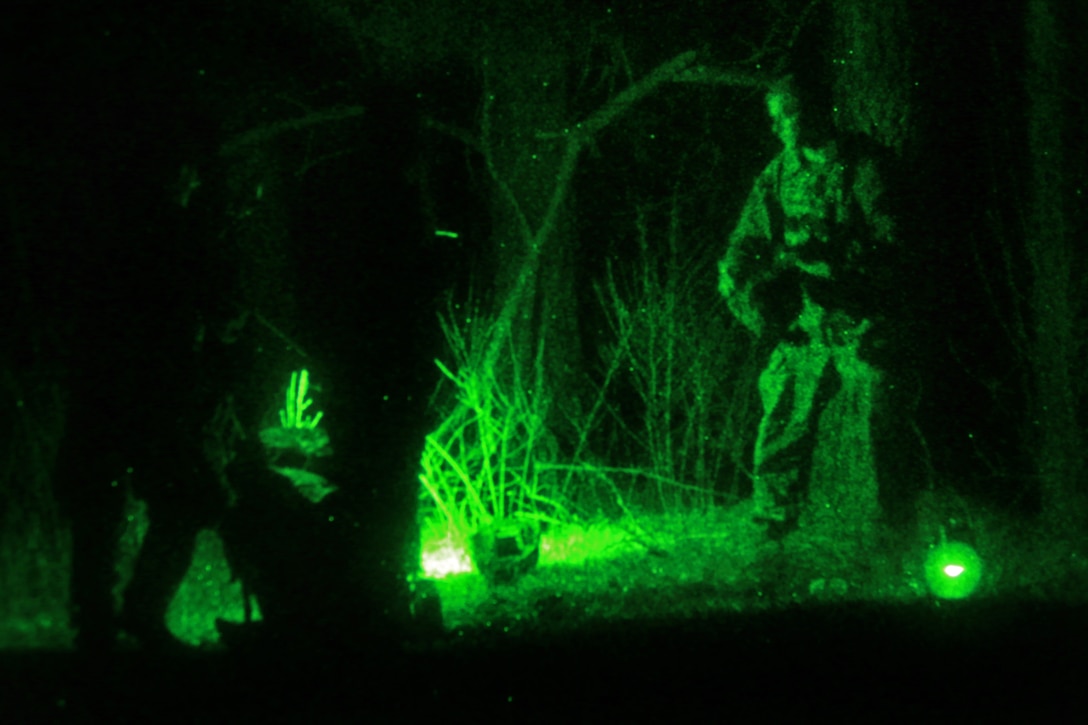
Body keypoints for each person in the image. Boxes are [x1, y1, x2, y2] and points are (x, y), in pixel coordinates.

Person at [719, 76, 909, 543]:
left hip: (858, 312)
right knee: (783, 399)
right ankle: (773, 522)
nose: (779, 126)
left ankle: (894, 520)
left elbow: (893, 243)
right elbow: (746, 239)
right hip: (806, 315)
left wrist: (840, 264)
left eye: (789, 114)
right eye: (774, 117)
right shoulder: (779, 173)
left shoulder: (862, 167)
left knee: (879, 403)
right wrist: (741, 280)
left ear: (816, 111)